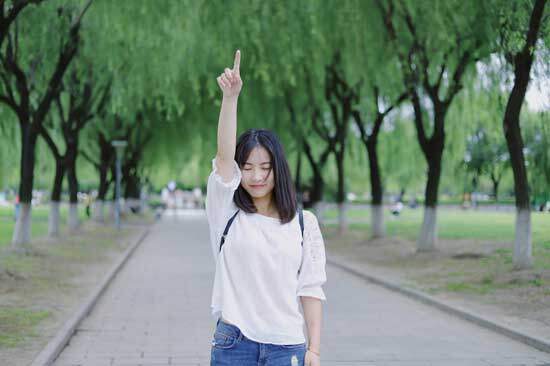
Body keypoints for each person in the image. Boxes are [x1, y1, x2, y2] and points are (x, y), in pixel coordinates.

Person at [206, 50, 327, 366]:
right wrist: (230, 99)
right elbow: (222, 160)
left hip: (287, 347)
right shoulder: (227, 212)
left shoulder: (304, 223)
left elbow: (310, 287)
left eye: (265, 167)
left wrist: (314, 349)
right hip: (234, 344)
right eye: (247, 167)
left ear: (279, 169)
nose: (256, 176)